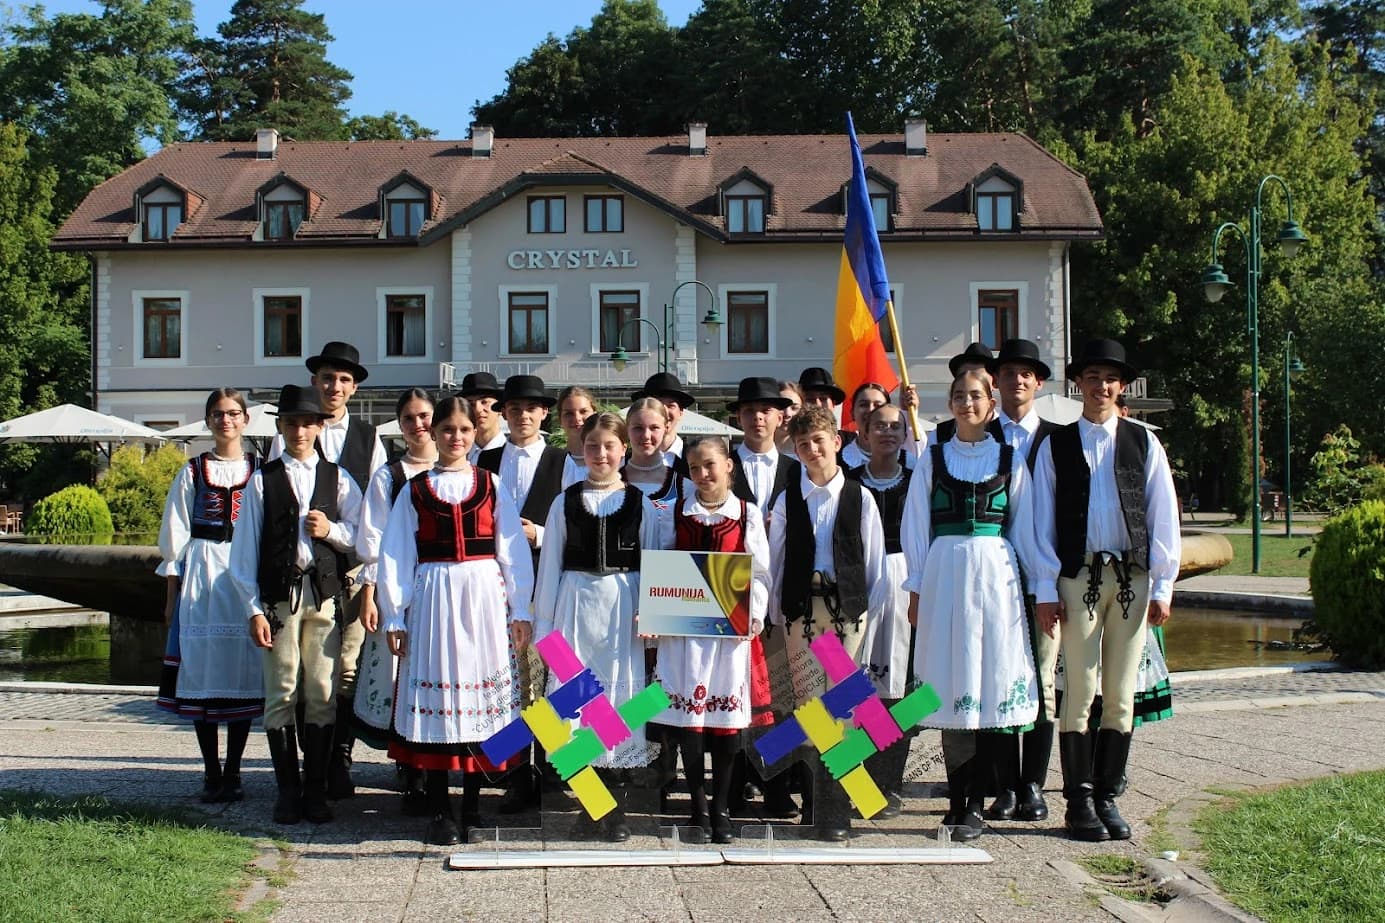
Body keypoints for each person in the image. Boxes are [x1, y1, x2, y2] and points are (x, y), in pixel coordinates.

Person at [1032, 339, 1181, 843]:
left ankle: (1107, 797)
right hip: (1078, 578)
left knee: (1120, 694)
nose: (1101, 386)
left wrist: (1163, 582)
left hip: (1132, 578)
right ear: (1079, 383)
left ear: (1122, 387)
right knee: (1080, 689)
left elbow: (1164, 514)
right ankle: (1078, 802)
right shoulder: (1056, 444)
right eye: (1093, 377)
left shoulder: (1143, 442)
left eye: (1110, 379)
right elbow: (1040, 521)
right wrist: (1045, 584)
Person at [378, 395, 535, 845]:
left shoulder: (490, 484)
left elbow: (512, 550)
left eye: (465, 431)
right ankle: (440, 810)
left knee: (478, 706)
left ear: (474, 434)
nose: (457, 437)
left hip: (485, 598)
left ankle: (471, 806)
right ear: (434, 433)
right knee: (441, 699)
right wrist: (395, 613)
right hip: (433, 598)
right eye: (448, 430)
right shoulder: (417, 489)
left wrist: (520, 608)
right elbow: (396, 554)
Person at [901, 369, 1042, 843]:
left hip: (995, 581)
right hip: (944, 578)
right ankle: (955, 802)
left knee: (987, 681)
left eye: (976, 396)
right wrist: (917, 586)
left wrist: (1037, 586)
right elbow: (917, 523)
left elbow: (1026, 529)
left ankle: (978, 804)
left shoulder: (1010, 457)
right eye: (959, 396)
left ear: (991, 404)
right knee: (949, 682)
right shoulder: (933, 458)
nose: (967, 403)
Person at [229, 384, 363, 825]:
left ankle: (316, 790)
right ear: (281, 427)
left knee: (322, 691)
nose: (300, 430)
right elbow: (244, 552)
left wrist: (330, 532)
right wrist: (252, 608)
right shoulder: (261, 481)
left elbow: (364, 538)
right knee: (281, 691)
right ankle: (288, 791)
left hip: (323, 596)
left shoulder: (338, 477)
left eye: (307, 422)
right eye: (291, 423)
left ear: (320, 426)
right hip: (279, 599)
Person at [534, 412, 669, 842]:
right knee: (575, 709)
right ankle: (590, 806)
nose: (601, 454)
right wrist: (545, 628)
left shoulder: (641, 504)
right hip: (574, 606)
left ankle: (616, 809)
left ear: (623, 450)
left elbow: (654, 563)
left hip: (621, 609)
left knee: (616, 705)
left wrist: (651, 613)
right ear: (583, 450)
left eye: (609, 446)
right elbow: (550, 565)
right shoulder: (565, 501)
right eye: (593, 446)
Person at [268, 340, 385, 801]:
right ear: (315, 383)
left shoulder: (368, 439)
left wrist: (364, 571)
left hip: (348, 573)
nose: (334, 387)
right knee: (293, 676)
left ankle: (336, 760)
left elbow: (371, 516)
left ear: (353, 388)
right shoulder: (289, 435)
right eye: (327, 378)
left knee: (342, 672)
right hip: (296, 581)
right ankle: (299, 776)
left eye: (343, 380)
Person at [767, 405, 888, 842]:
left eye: (819, 441)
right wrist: (774, 615)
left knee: (843, 709)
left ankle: (837, 807)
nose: (812, 450)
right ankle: (814, 803)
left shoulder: (861, 496)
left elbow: (874, 565)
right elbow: (775, 561)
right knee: (809, 707)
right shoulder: (787, 499)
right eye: (803, 445)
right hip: (801, 612)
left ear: (837, 441)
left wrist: (865, 615)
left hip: (846, 614)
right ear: (796, 452)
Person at [652, 437, 771, 844]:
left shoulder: (746, 515)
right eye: (695, 467)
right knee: (691, 725)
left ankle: (721, 805)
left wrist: (753, 613)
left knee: (725, 724)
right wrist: (656, 607)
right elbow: (663, 567)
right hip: (685, 636)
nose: (703, 475)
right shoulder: (674, 514)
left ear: (728, 465)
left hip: (728, 639)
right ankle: (697, 806)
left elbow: (759, 574)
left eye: (710, 465)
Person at [156, 388, 263, 804]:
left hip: (242, 569)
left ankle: (234, 768)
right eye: (218, 414)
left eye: (233, 413)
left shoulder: (259, 470)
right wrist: (171, 593)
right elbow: (175, 534)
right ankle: (211, 769)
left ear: (245, 420)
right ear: (208, 420)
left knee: (241, 669)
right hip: (201, 568)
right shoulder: (192, 471)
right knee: (203, 671)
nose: (226, 421)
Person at [476, 374, 568, 813]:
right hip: (491, 590)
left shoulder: (563, 461)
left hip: (546, 585)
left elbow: (574, 523)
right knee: (508, 684)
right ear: (504, 413)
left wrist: (540, 533)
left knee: (550, 681)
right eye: (514, 408)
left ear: (544, 412)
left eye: (531, 408)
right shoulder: (485, 460)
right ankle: (514, 775)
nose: (523, 415)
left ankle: (552, 770)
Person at [983, 339, 1064, 824]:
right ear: (996, 381)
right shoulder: (977, 435)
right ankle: (1003, 786)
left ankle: (1032, 783)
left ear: (1038, 382)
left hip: (1044, 578)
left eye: (1025, 373)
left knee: (1042, 683)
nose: (1017, 380)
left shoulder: (1060, 437)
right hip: (992, 578)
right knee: (995, 680)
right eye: (1008, 372)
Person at [353, 388, 438, 815]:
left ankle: (447, 763)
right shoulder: (390, 475)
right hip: (404, 586)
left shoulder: (464, 467)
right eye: (410, 418)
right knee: (404, 680)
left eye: (425, 416)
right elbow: (374, 542)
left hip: (452, 589)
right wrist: (375, 596)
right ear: (400, 425)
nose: (418, 425)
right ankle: (413, 772)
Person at [726, 377, 799, 817]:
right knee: (739, 695)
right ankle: (737, 784)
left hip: (788, 600)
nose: (758, 417)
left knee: (784, 698)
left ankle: (777, 783)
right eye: (749, 410)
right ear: (738, 416)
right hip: (735, 598)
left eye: (766, 410)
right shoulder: (719, 465)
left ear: (779, 416)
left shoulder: (798, 468)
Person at [844, 403, 913, 818]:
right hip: (859, 584)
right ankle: (858, 782)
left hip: (907, 585)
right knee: (855, 689)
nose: (887, 432)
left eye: (895, 426)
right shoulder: (850, 483)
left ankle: (888, 783)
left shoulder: (920, 480)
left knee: (901, 692)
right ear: (863, 434)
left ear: (905, 433)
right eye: (878, 425)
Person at [631, 372, 696, 471]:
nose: (664, 411)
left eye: (671, 406)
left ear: (681, 412)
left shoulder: (696, 460)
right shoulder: (624, 463)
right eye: (658, 404)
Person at [461, 372, 506, 464]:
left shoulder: (512, 454)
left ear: (500, 409)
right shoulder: (458, 456)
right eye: (471, 404)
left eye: (484, 402)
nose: (478, 409)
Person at [557, 385, 597, 488]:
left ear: (595, 414)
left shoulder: (612, 459)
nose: (577, 418)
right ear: (560, 419)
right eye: (569, 413)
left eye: (583, 411)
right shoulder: (553, 462)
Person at [774, 380, 804, 457]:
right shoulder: (756, 449)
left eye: (794, 408)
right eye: (782, 407)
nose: (787, 414)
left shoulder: (808, 452)